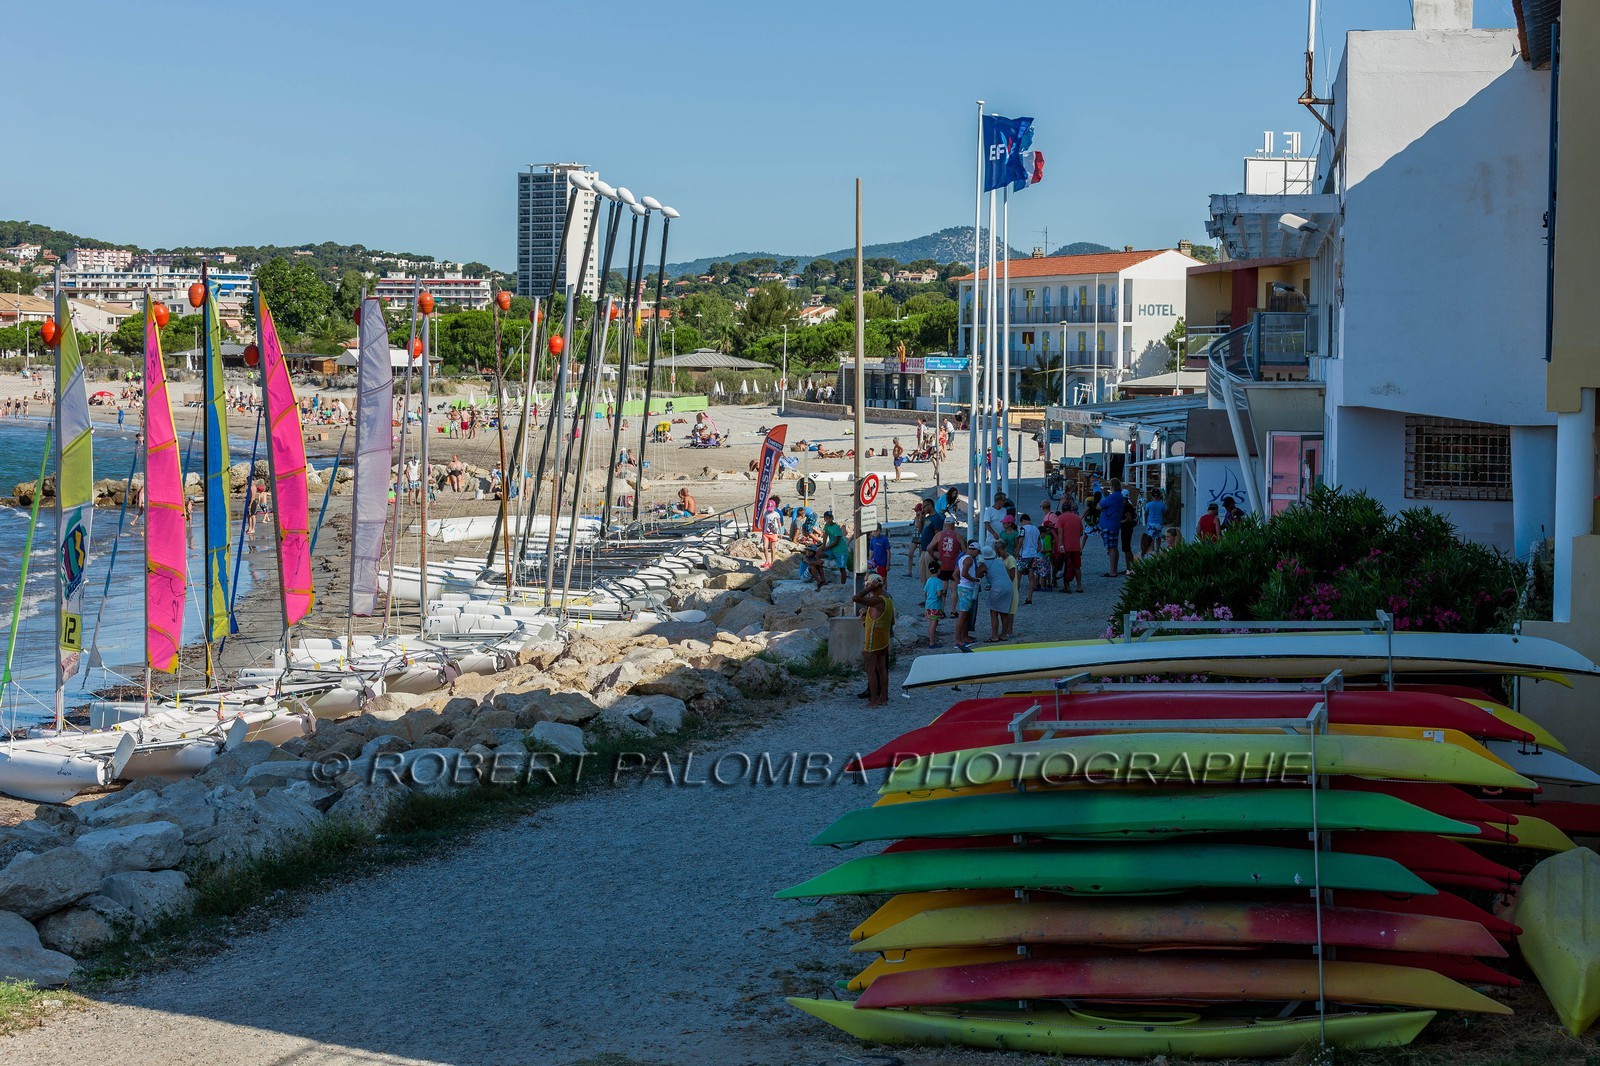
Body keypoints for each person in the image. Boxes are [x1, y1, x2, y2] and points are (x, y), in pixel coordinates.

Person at [852, 572, 895, 706]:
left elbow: (855, 598)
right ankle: (883, 697)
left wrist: (870, 588)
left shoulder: (877, 599)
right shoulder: (887, 598)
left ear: (873, 584)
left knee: (870, 669)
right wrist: (868, 617)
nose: (865, 585)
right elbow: (891, 621)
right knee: (882, 668)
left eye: (867, 583)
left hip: (873, 638)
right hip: (883, 639)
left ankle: (873, 700)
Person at [933, 516, 965, 617]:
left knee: (943, 588)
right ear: (953, 525)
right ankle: (952, 611)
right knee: (954, 589)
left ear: (944, 525)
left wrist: (935, 556)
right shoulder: (958, 536)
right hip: (954, 565)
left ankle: (941, 610)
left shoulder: (939, 535)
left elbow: (929, 547)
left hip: (943, 564)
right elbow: (965, 552)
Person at [955, 541, 985, 650]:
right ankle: (958, 640)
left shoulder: (962, 558)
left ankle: (963, 638)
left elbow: (956, 574)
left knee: (965, 615)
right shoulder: (968, 559)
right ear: (975, 550)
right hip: (967, 588)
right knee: (963, 615)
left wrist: (960, 584)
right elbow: (964, 573)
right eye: (978, 552)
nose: (977, 555)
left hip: (964, 588)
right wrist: (974, 580)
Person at [982, 543, 1013, 643]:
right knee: (1004, 613)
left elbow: (978, 575)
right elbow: (1008, 574)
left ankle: (994, 636)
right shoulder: (1000, 562)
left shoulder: (984, 564)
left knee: (994, 612)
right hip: (1009, 587)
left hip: (997, 588)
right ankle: (1004, 635)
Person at [1097, 478, 1126, 577]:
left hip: (1109, 524)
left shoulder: (1113, 496)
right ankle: (1114, 569)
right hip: (1114, 524)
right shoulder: (1120, 496)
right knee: (1114, 547)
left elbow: (1099, 506)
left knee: (1111, 548)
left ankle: (1112, 571)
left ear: (1112, 487)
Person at [1057, 499, 1085, 592]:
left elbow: (1060, 534)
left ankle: (1067, 586)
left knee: (1067, 567)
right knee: (1077, 566)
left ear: (1062, 509)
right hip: (1076, 546)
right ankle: (1079, 586)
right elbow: (1081, 533)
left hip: (1066, 546)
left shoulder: (1060, 518)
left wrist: (1061, 546)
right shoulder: (1077, 518)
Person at [1018, 512, 1043, 604]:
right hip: (1034, 556)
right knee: (1031, 577)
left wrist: (1017, 552)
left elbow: (1020, 541)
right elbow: (1040, 545)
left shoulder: (1023, 528)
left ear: (1023, 521)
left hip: (1025, 555)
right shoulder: (1036, 529)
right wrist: (1035, 552)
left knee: (1019, 575)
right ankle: (1029, 598)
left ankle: (1016, 597)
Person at [821, 511, 850, 584]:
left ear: (832, 518)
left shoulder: (836, 527)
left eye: (830, 518)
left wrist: (826, 548)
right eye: (827, 518)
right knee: (818, 555)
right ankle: (821, 579)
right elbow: (825, 535)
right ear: (824, 519)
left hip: (840, 550)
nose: (829, 520)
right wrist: (823, 545)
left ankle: (843, 585)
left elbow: (836, 542)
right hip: (832, 549)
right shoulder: (827, 526)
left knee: (842, 568)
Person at [922, 559, 945, 647]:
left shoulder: (929, 580)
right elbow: (939, 594)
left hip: (928, 605)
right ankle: (932, 642)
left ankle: (932, 640)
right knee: (934, 624)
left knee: (931, 623)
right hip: (935, 605)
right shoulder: (938, 581)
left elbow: (925, 593)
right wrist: (943, 592)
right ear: (938, 570)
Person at [1140, 488, 1167, 559]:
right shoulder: (1162, 504)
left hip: (1151, 523)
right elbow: (1164, 512)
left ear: (1152, 495)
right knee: (1158, 537)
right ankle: (1157, 550)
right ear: (1159, 495)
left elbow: (1146, 513)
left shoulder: (1149, 504)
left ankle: (1152, 550)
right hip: (1159, 523)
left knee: (1151, 538)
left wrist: (1145, 520)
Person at [760, 496, 782, 570]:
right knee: (765, 547)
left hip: (774, 533)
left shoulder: (776, 514)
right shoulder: (766, 514)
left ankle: (773, 562)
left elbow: (779, 524)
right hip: (766, 533)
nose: (770, 510)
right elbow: (763, 523)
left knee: (772, 548)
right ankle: (767, 561)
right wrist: (762, 533)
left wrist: (780, 532)